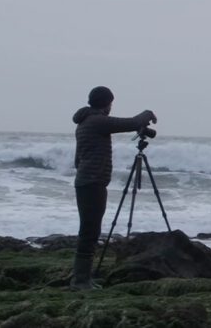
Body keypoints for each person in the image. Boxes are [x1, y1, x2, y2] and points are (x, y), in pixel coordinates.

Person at [70, 86, 157, 290]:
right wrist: (148, 114)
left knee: (90, 230)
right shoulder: (96, 121)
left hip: (87, 181)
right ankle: (80, 281)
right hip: (91, 183)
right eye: (111, 103)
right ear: (107, 103)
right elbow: (131, 122)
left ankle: (83, 278)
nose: (111, 107)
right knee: (90, 231)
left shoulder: (86, 122)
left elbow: (78, 159)